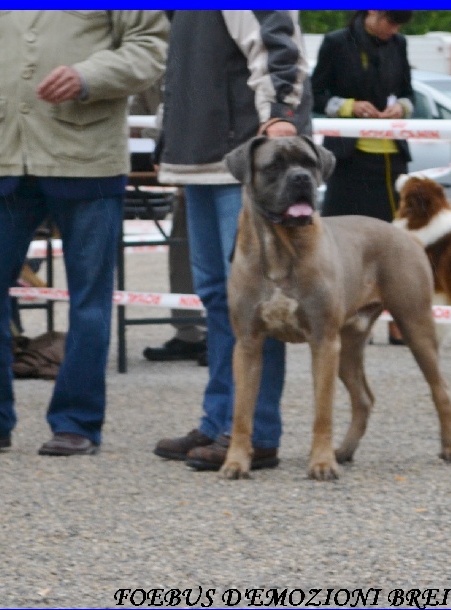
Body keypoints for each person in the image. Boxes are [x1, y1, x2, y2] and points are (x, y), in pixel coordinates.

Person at [0, 10, 169, 455]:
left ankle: (77, 422)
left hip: (87, 155)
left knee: (90, 300)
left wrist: (87, 75)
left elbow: (150, 48)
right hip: (3, 157)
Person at [153, 10, 312, 471]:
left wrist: (281, 115)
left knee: (252, 302)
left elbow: (279, 45)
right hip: (200, 159)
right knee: (219, 298)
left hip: (245, 160)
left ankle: (256, 433)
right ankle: (221, 419)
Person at [311, 10, 413, 343]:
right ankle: (346, 318)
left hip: (392, 159)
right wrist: (347, 107)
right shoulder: (336, 43)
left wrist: (404, 108)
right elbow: (315, 94)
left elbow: (408, 93)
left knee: (397, 243)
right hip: (348, 160)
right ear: (371, 12)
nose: (393, 29)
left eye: (399, 25)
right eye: (390, 21)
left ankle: (399, 321)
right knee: (343, 243)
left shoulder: (399, 44)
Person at [131, 87, 207, 365]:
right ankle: (189, 333)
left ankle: (223, 334)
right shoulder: (151, 68)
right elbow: (135, 120)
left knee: (224, 254)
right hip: (177, 164)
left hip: (210, 165)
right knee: (181, 252)